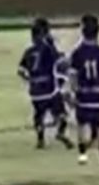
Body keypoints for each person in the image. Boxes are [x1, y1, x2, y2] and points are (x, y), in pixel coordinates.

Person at [68, 15, 99, 166]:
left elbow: (73, 76)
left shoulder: (77, 53)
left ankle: (82, 154)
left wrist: (73, 90)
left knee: (83, 125)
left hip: (84, 94)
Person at [18, 19, 72, 150]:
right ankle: (60, 133)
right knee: (62, 115)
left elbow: (21, 71)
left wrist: (30, 79)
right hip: (50, 90)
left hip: (35, 92)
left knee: (38, 115)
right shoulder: (48, 49)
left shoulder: (28, 52)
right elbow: (60, 62)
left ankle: (40, 139)